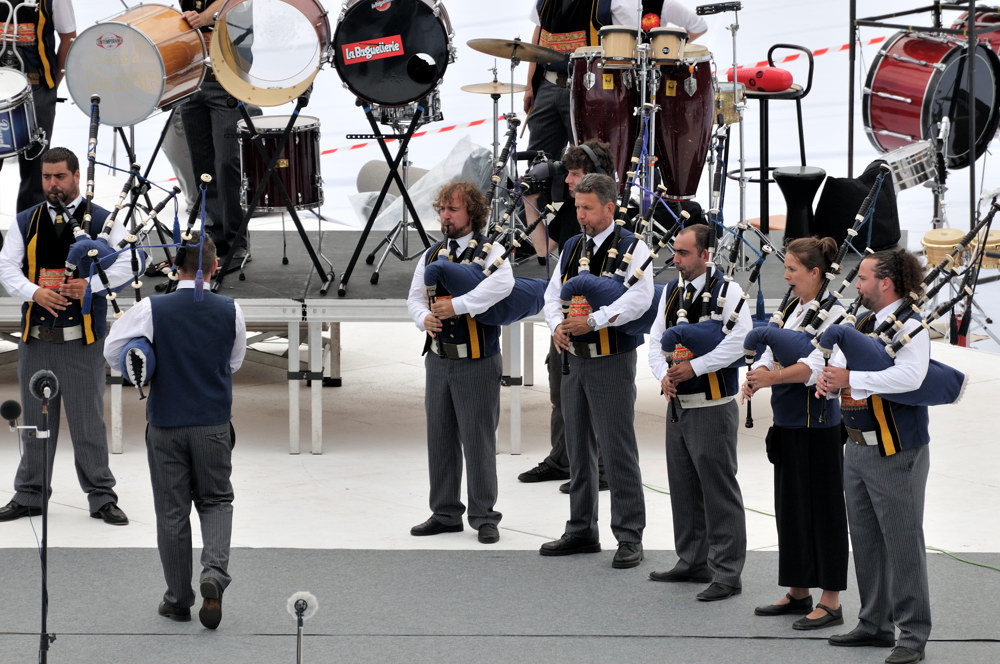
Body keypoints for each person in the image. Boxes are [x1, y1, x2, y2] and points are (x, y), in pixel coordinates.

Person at [103, 231, 245, 629]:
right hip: (213, 422)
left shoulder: (152, 308)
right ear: (215, 267)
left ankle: (178, 599)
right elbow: (234, 362)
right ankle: (213, 576)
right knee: (216, 501)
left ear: (173, 268)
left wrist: (148, 360)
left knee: (172, 512)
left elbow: (113, 350)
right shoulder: (231, 309)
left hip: (166, 422)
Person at [0, 147, 129, 525]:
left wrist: (90, 285)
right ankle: (30, 494)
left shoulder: (104, 220)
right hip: (37, 339)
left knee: (88, 423)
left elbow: (131, 261)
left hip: (81, 341)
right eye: (46, 177)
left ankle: (102, 497)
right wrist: (34, 292)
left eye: (59, 177)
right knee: (36, 426)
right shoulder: (26, 220)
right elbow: (7, 269)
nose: (52, 184)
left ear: (76, 176)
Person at [815, 249, 931, 664]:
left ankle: (913, 635)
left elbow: (910, 376)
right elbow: (841, 366)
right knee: (865, 540)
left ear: (885, 282)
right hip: (857, 445)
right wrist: (829, 380)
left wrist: (851, 377)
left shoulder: (912, 326)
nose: (856, 285)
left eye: (863, 278)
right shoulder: (863, 322)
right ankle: (874, 622)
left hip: (896, 447)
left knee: (902, 543)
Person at [539, 172, 652, 568]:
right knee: (578, 448)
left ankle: (629, 535)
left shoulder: (633, 247)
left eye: (587, 208)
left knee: (617, 447)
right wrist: (556, 325)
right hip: (573, 360)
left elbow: (640, 300)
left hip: (611, 360)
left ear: (609, 207)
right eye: (577, 207)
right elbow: (552, 294)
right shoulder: (571, 246)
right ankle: (581, 528)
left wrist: (594, 321)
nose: (581, 215)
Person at [741, 237, 849, 629]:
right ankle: (799, 589)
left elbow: (816, 367)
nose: (785, 276)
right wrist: (755, 375)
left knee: (825, 512)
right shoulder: (791, 306)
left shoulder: (835, 312)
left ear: (815, 273)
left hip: (818, 427)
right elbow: (770, 346)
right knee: (790, 510)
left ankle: (832, 600)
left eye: (791, 269)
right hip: (787, 424)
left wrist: (772, 378)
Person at [406, 181, 513, 544]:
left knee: (478, 439)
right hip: (439, 361)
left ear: (472, 214)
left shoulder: (491, 251)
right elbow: (415, 298)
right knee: (440, 437)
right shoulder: (433, 254)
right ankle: (445, 512)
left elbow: (501, 286)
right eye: (442, 209)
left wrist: (457, 306)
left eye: (452, 209)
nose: (445, 216)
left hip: (477, 362)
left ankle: (485, 515)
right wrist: (424, 319)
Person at [646, 224, 748, 601]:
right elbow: (656, 340)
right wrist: (663, 376)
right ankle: (692, 560)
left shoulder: (729, 291)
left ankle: (727, 572)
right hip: (679, 406)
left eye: (684, 253)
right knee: (684, 488)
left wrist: (695, 367)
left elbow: (739, 341)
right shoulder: (671, 291)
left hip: (712, 407)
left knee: (718, 491)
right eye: (675, 251)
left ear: (705, 255)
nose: (676, 259)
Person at [518, 140, 615, 493]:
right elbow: (546, 250)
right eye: (569, 174)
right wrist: (530, 204)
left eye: (576, 173)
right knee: (560, 389)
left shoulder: (612, 218)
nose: (569, 180)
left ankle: (601, 467)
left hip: (597, 322)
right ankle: (562, 458)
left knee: (599, 397)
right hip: (564, 318)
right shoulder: (572, 212)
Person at [524, 1, 706, 164]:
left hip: (589, 90)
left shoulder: (618, 3)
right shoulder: (545, 2)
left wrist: (666, 51)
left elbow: (636, 43)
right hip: (547, 85)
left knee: (588, 161)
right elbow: (538, 36)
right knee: (538, 160)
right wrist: (529, 85)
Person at [179, 0, 258, 263]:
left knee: (227, 163)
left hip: (227, 76)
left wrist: (203, 17)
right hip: (193, 77)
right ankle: (214, 235)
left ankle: (236, 240)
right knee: (203, 166)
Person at [0, 0, 76, 213]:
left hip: (37, 87)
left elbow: (68, 36)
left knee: (35, 170)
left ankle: (30, 237)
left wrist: (52, 85)